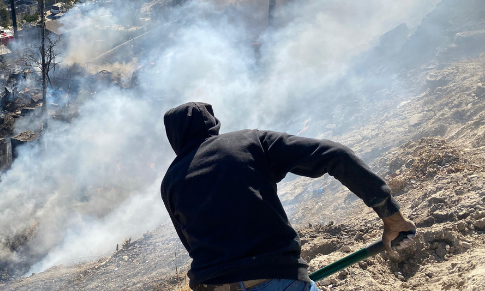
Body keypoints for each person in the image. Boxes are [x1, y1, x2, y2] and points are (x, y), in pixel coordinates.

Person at [161, 102, 416, 291]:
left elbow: (192, 245)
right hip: (275, 279)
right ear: (212, 124)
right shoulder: (249, 142)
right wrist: (393, 220)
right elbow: (335, 155)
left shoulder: (170, 181)